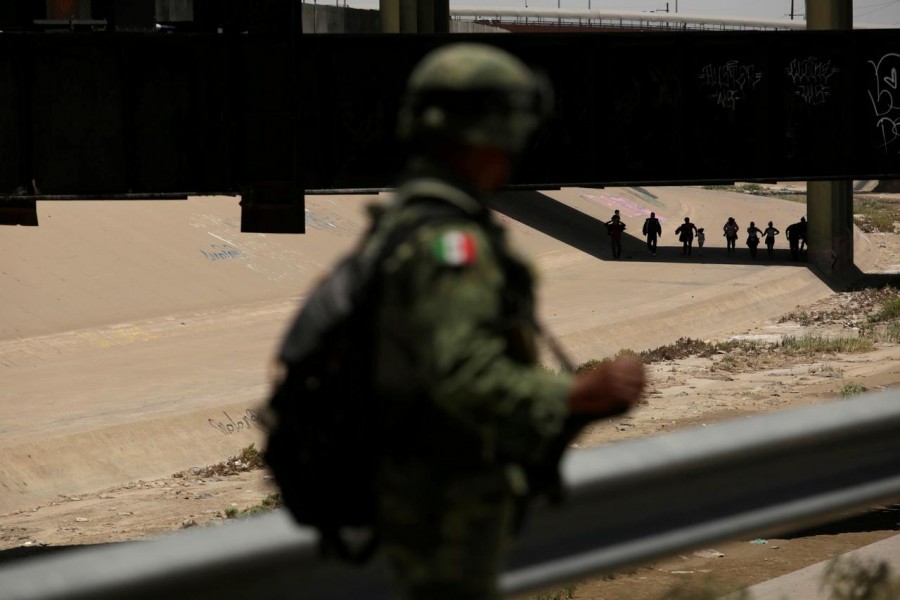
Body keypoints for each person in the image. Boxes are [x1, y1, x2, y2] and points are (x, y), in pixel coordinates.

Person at [373, 43, 646, 600]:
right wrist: (578, 393)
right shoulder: (451, 244)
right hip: (441, 526)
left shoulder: (409, 225)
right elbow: (463, 377)